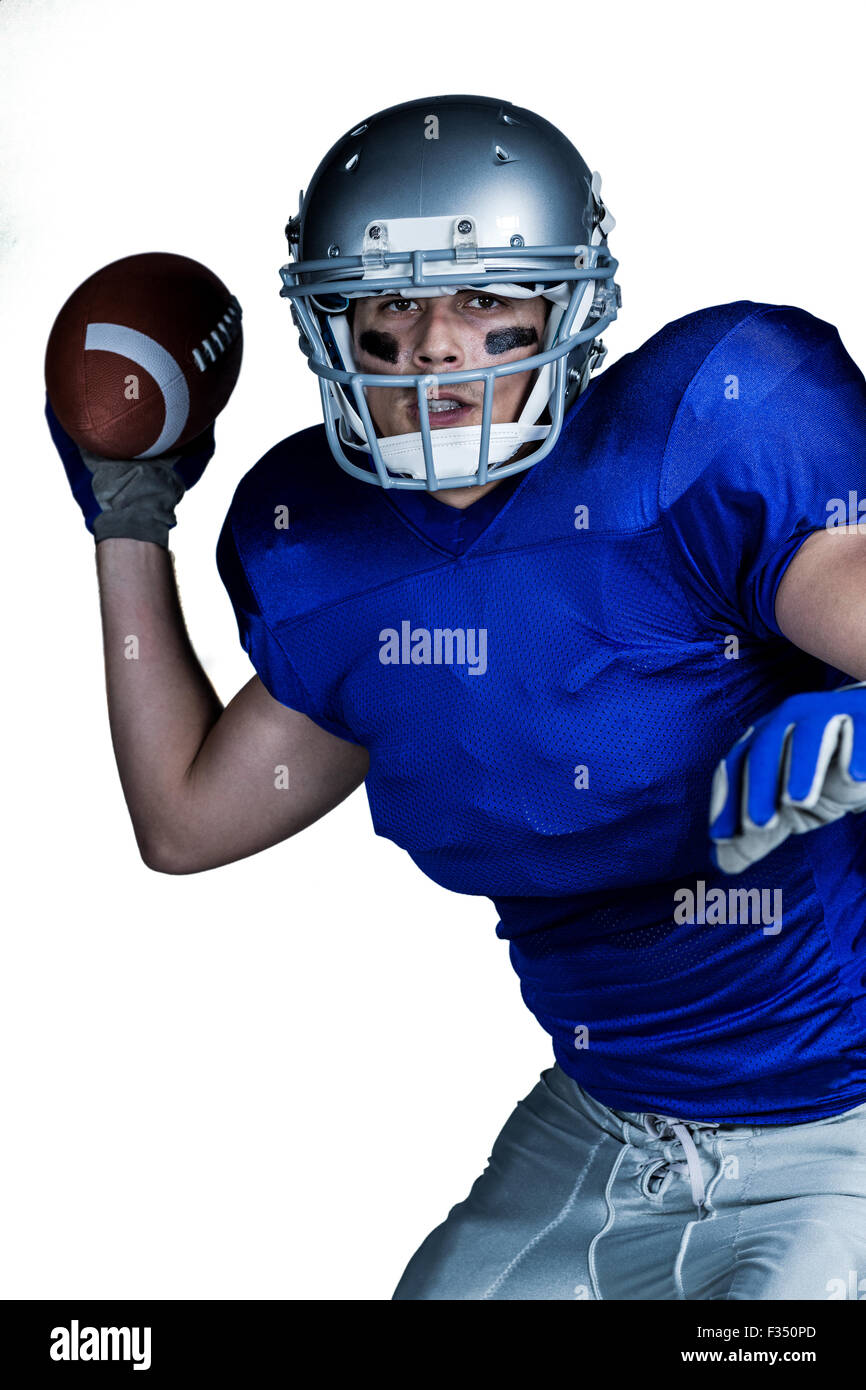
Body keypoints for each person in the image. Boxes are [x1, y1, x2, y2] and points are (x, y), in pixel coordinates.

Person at [48, 94, 866, 1300]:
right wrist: (128, 526)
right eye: (393, 303)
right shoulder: (320, 548)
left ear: (567, 304)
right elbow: (184, 822)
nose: (433, 343)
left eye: (484, 296)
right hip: (605, 1124)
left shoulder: (703, 435)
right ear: (333, 323)